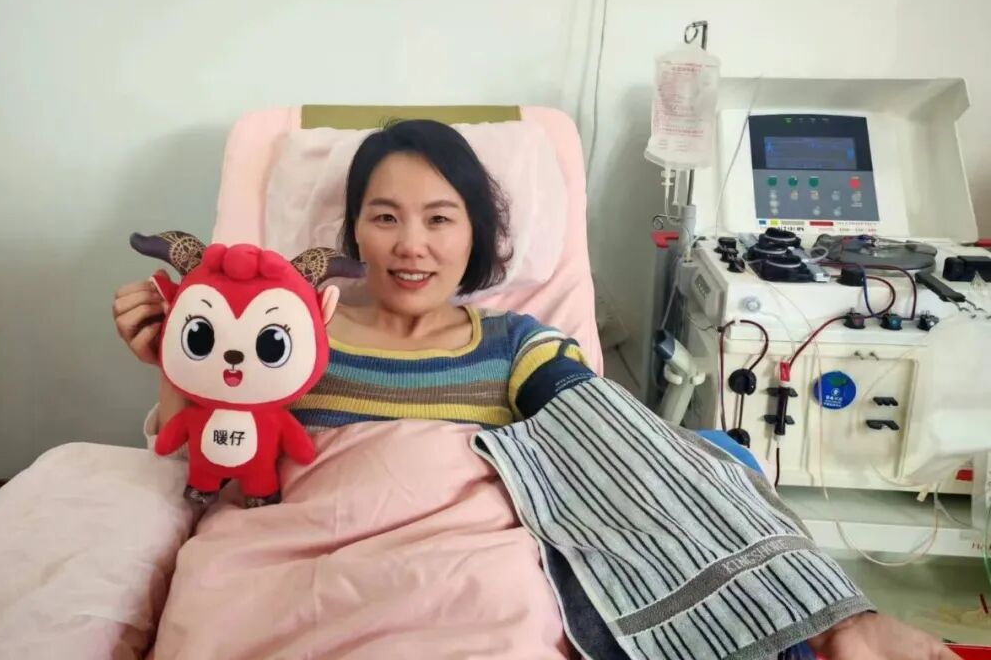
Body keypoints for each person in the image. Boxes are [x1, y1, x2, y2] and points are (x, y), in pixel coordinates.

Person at [113, 119, 958, 660]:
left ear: (474, 235)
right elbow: (213, 465)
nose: (411, 245)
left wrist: (835, 613)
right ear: (354, 231)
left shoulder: (513, 344)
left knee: (688, 461)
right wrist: (173, 361)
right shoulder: (286, 336)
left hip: (464, 581)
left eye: (440, 218)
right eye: (385, 216)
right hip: (284, 571)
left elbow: (618, 446)